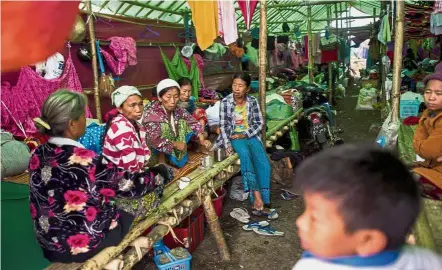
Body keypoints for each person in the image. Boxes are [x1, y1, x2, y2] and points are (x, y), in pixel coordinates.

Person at [30, 90, 168, 266]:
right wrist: (158, 174)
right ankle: (113, 248)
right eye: (83, 117)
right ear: (72, 124)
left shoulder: (37, 153)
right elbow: (131, 186)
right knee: (146, 197)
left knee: (104, 198)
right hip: (82, 245)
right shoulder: (86, 159)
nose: (85, 121)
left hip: (49, 243)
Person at [292, 144, 442, 270]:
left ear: (368, 240)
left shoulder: (311, 266)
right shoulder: (429, 261)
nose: (300, 222)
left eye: (315, 219)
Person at [102, 86, 172, 224]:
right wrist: (149, 174)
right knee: (164, 173)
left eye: (140, 104)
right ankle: (146, 207)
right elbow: (132, 170)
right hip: (120, 184)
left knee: (160, 171)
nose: (138, 109)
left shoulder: (132, 124)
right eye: (132, 105)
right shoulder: (123, 130)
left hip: (121, 177)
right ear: (120, 108)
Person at [214, 73, 276, 219]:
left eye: (240, 85)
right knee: (246, 157)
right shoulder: (225, 102)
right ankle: (257, 198)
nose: (236, 88)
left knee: (264, 164)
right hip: (234, 136)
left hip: (250, 135)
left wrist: (246, 133)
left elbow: (259, 123)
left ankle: (264, 201)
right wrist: (228, 143)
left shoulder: (252, 101)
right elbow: (223, 126)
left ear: (247, 88)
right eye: (234, 85)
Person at [143, 79, 211, 168]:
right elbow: (154, 140)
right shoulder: (152, 114)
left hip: (170, 144)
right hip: (152, 151)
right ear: (160, 97)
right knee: (164, 126)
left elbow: (193, 122)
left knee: (183, 122)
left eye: (175, 96)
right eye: (168, 96)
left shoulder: (177, 110)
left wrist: (202, 140)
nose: (172, 101)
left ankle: (180, 158)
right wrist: (175, 144)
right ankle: (162, 161)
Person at [412, 64, 442, 200]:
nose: (431, 98)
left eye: (439, 94)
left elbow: (427, 151)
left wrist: (421, 145)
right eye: (428, 92)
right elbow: (426, 151)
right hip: (433, 166)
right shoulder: (428, 113)